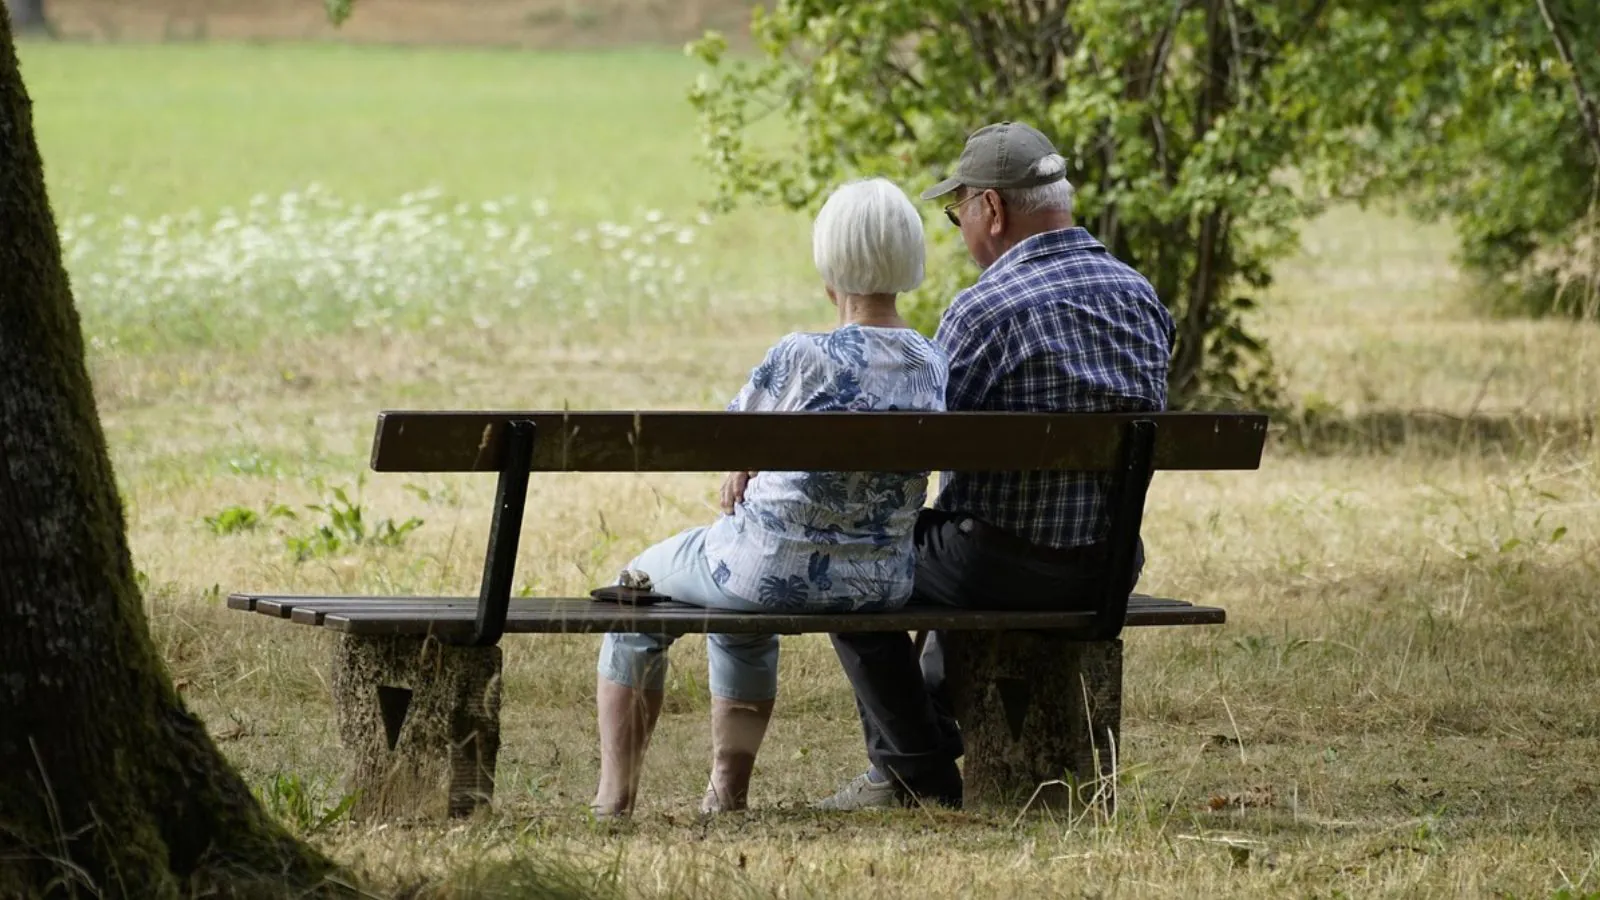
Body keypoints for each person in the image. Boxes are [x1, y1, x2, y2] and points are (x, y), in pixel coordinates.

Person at [816, 122, 1177, 811]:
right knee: (958, 537)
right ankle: (919, 746)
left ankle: (915, 769)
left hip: (999, 567)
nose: (960, 231)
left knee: (848, 563)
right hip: (1107, 567)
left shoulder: (983, 310)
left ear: (992, 209)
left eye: (958, 215)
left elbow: (925, 450)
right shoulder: (1141, 297)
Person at [591, 177, 949, 817]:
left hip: (766, 570)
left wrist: (743, 462)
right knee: (736, 608)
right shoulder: (931, 362)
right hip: (878, 582)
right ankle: (726, 794)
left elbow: (727, 438)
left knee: (635, 589)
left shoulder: (802, 356)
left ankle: (613, 799)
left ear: (829, 265)